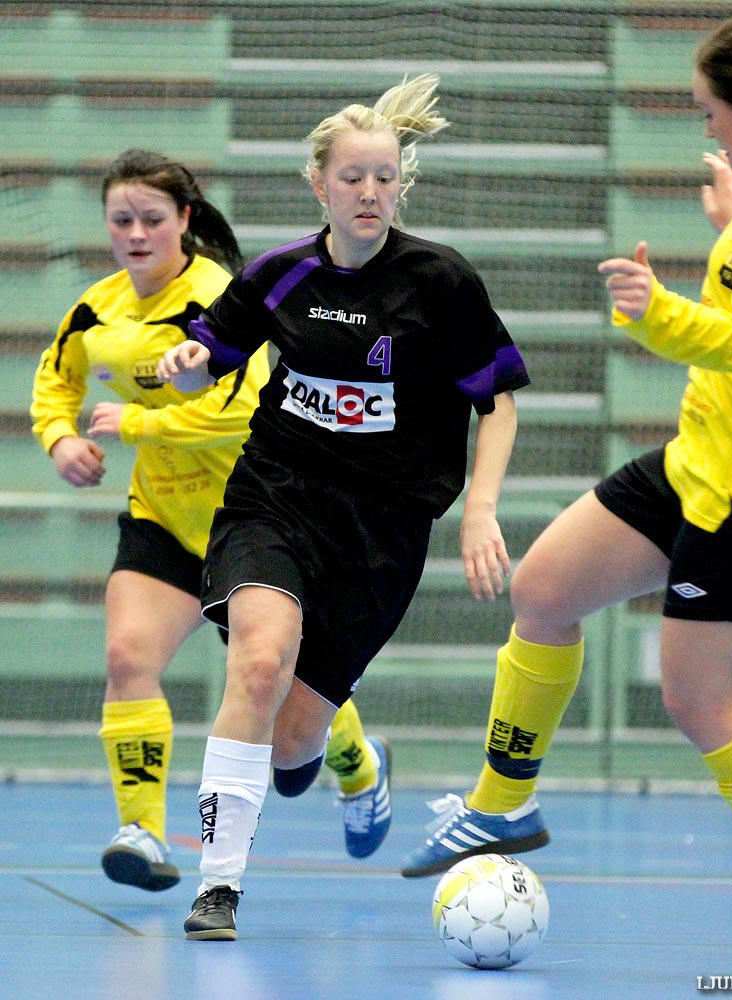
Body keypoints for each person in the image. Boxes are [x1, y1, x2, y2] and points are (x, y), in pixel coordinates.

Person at [400, 16, 732, 979]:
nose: (709, 132)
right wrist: (729, 230)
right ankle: (502, 804)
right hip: (701, 459)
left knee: (699, 698)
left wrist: (654, 309)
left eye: (714, 114)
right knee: (543, 591)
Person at [156, 74, 530, 941]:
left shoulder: (439, 282)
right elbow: (215, 350)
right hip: (275, 498)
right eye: (353, 176)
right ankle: (219, 888)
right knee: (257, 663)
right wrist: (185, 365)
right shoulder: (281, 274)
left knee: (291, 747)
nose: (370, 192)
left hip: (384, 527)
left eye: (385, 177)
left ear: (401, 186)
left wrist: (480, 510)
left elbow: (497, 401)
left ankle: (345, 756)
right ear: (319, 182)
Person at [30, 149, 386, 893]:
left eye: (151, 219)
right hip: (162, 519)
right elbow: (53, 382)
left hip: (252, 520)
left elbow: (243, 408)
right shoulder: (95, 309)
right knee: (129, 658)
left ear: (184, 222)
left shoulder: (221, 300)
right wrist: (61, 439)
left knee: (284, 699)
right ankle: (143, 831)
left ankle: (358, 765)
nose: (135, 233)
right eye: (120, 219)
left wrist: (139, 425)